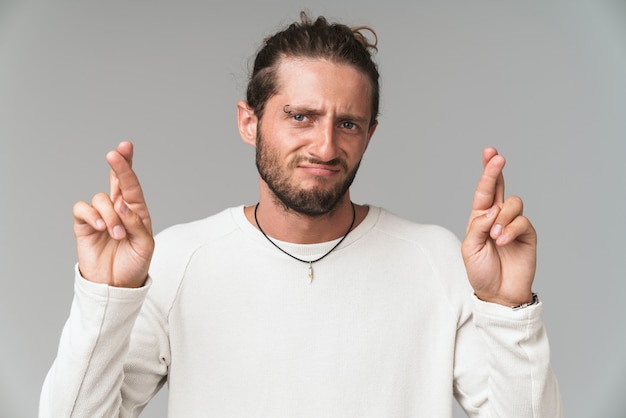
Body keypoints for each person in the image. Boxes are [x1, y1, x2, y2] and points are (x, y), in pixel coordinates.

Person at [40, 12, 563, 417]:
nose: (325, 145)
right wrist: (105, 296)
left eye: (349, 124)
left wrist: (509, 307)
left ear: (370, 135)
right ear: (249, 122)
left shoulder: (436, 260)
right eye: (300, 116)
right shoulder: (177, 261)